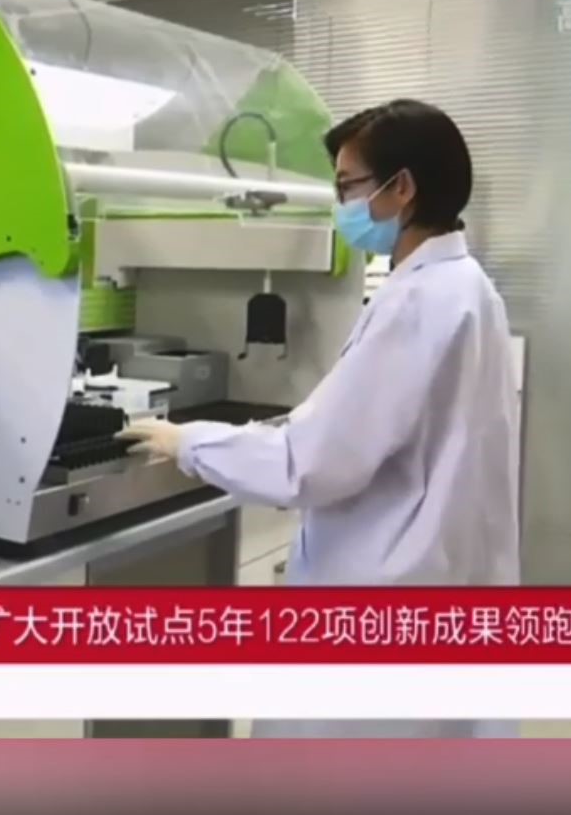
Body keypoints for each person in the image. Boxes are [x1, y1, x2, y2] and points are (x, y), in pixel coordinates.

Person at [116, 99, 521, 739]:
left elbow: (308, 464)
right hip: (440, 576)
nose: (342, 206)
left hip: (382, 592)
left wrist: (187, 441)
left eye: (347, 187)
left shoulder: (417, 302)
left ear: (402, 187)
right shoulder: (469, 287)